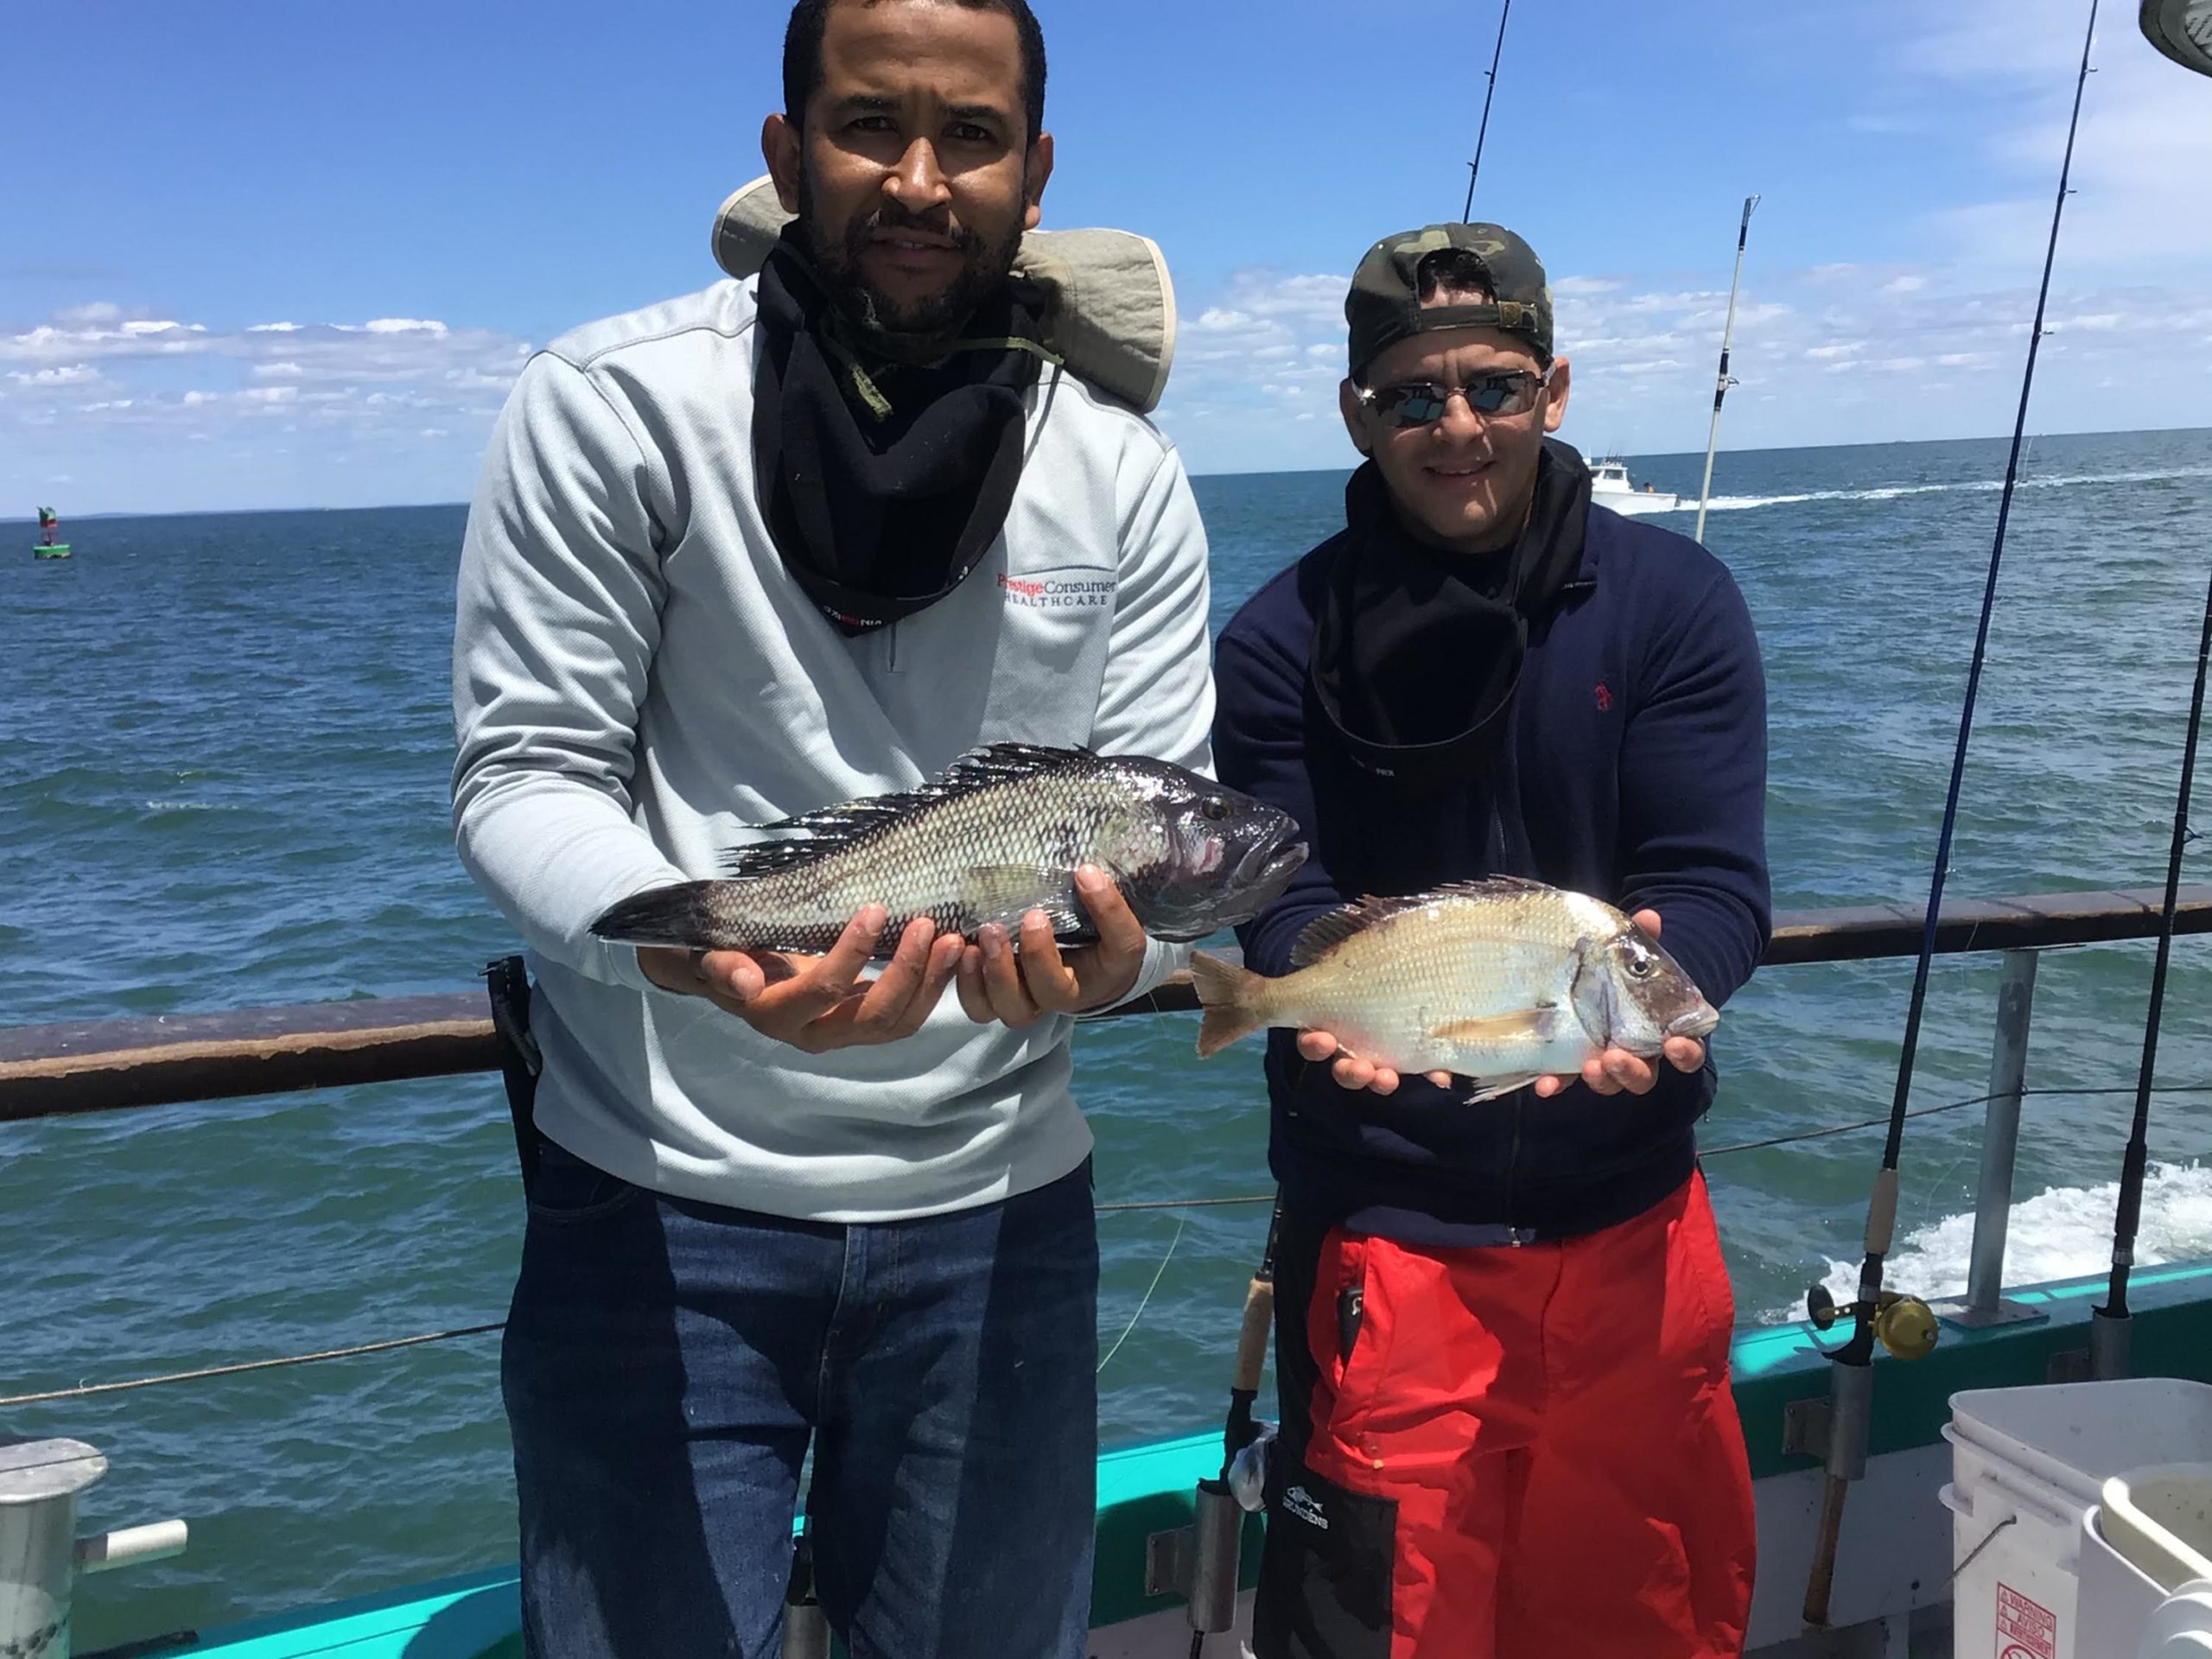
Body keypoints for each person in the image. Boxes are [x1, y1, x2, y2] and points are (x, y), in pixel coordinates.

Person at [448, 2, 1214, 1654]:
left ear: (1036, 169)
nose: (921, 178)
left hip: (1005, 1215)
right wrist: (697, 948)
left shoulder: (1125, 475)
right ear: (788, 152)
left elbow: (1151, 827)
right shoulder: (611, 405)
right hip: (655, 1208)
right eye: (872, 126)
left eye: (973, 135)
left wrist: (1101, 972)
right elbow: (524, 775)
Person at [1210, 222, 1770, 1659]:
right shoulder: (1281, 637)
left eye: (1495, 388)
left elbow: (1713, 882)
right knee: (1393, 1629)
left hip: (1638, 1231)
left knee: (1643, 1620)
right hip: (1389, 1240)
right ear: (1359, 412)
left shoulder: (1675, 604)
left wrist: (1671, 978)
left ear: (1555, 390)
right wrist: (1309, 975)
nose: (1457, 427)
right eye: (1413, 396)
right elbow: (1280, 884)